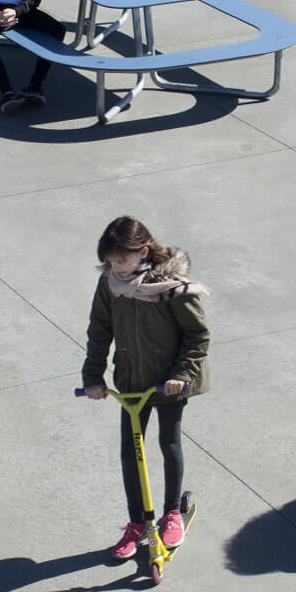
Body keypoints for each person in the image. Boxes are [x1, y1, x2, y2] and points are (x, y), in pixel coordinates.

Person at [82, 216, 210, 560]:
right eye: (110, 260)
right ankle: (137, 521)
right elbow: (99, 330)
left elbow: (197, 335)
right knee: (130, 453)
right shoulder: (109, 284)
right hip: (132, 382)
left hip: (168, 382)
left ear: (142, 251)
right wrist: (93, 377)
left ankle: (171, 512)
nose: (116, 267)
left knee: (169, 444)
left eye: (122, 259)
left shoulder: (171, 287)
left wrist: (181, 374)